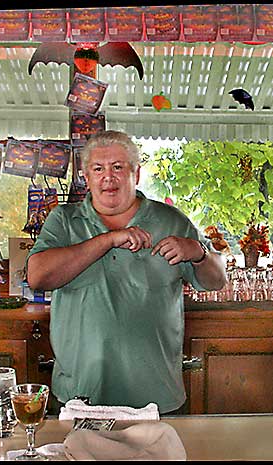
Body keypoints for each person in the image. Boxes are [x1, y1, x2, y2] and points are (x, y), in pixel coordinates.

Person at [26, 130, 227, 414]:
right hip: (81, 395)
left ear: (136, 174)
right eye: (98, 169)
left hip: (156, 396)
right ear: (86, 176)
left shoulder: (170, 220)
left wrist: (198, 252)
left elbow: (218, 280)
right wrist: (108, 239)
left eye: (118, 167)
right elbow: (37, 277)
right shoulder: (64, 220)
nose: (108, 177)